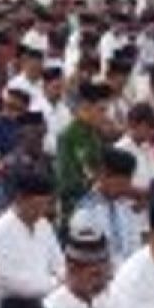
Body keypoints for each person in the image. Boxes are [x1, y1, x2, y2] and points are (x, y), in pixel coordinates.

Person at [0, 167, 64, 308]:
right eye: (36, 206)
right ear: (19, 199)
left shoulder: (44, 225)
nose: (41, 212)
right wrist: (55, 284)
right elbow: (8, 280)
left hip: (45, 307)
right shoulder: (0, 231)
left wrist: (60, 279)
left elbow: (59, 264)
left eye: (45, 205)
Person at [70, 146, 141, 270]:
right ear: (103, 176)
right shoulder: (86, 213)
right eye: (120, 184)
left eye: (127, 184)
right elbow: (91, 257)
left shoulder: (123, 207)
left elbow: (134, 243)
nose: (124, 190)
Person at [54, 81, 110, 218]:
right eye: (101, 110)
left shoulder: (94, 134)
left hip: (97, 204)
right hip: (76, 208)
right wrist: (96, 183)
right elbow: (66, 182)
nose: (104, 116)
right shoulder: (67, 137)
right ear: (86, 108)